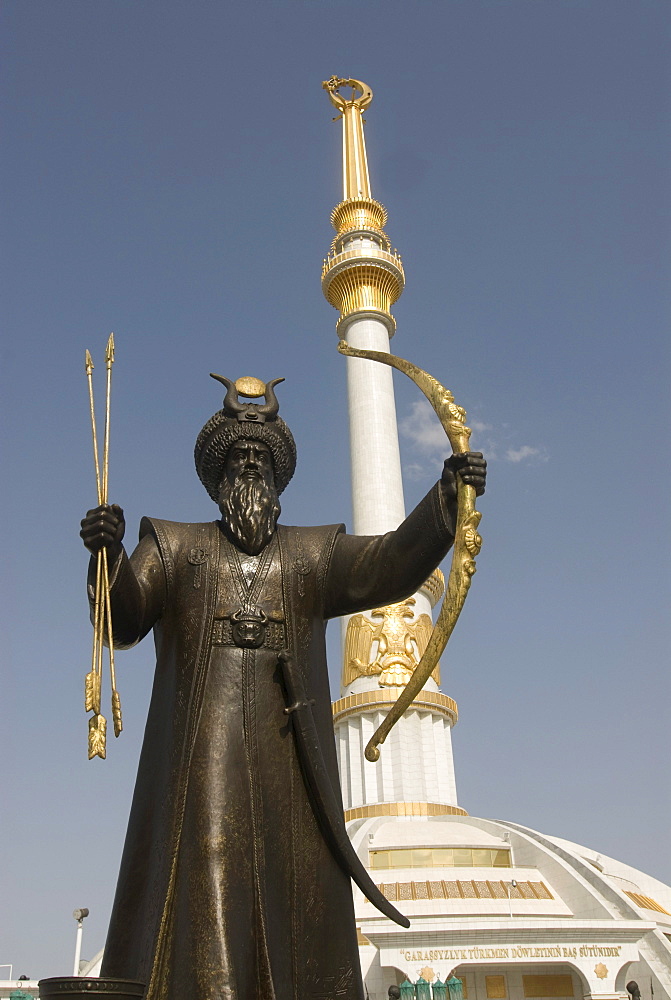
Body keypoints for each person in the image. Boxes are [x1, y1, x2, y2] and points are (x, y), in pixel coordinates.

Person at [80, 375, 486, 1000]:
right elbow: (125, 620)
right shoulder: (175, 544)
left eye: (261, 458)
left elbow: (390, 564)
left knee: (296, 885)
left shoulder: (312, 555)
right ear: (218, 479)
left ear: (276, 474)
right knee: (208, 876)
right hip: (202, 755)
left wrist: (445, 498)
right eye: (238, 459)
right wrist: (106, 557)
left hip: (291, 755)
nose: (250, 465)